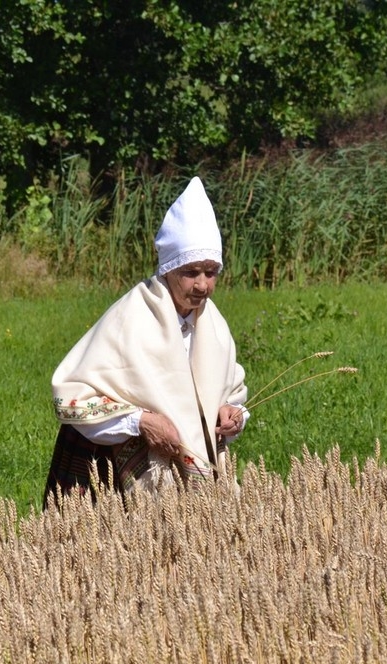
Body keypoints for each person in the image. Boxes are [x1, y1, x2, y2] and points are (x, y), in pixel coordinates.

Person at [44, 176, 249, 503]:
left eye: (210, 272)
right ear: (168, 268)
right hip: (119, 477)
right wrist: (140, 421)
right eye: (191, 271)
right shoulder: (130, 317)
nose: (202, 285)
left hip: (190, 475)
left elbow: (230, 390)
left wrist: (229, 412)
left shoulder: (213, 324)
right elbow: (72, 397)